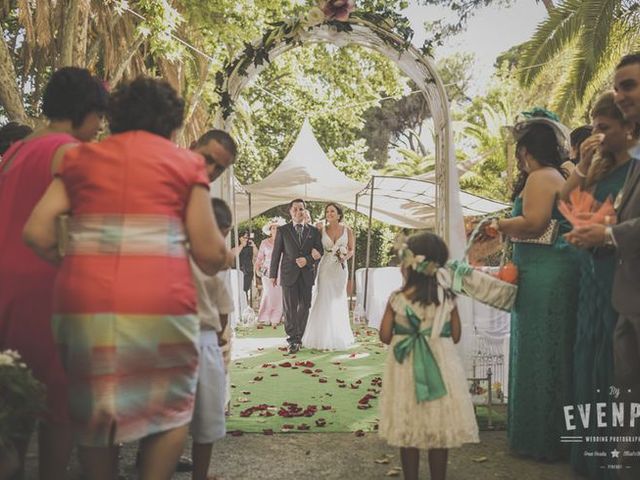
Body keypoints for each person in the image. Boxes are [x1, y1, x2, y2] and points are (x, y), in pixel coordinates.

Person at [23, 76, 230, 480]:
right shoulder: (185, 164)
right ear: (171, 124)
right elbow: (207, 252)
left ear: (114, 117)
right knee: (171, 412)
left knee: (95, 411)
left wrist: (73, 265)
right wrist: (222, 256)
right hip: (160, 302)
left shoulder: (79, 159)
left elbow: (36, 231)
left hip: (82, 304)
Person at [0, 67, 107, 480]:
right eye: (98, 116)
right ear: (84, 111)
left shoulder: (16, 150)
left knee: (17, 402)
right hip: (44, 288)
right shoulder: (70, 152)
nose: (99, 128)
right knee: (59, 406)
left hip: (7, 289)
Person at [488, 111, 580, 460]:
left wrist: (497, 224)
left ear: (528, 150)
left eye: (519, 151)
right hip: (546, 269)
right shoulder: (553, 174)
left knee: (541, 352)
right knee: (547, 349)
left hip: (545, 274)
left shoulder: (542, 176)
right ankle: (550, 434)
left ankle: (543, 438)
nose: (519, 158)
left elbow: (534, 223)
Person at [566, 52, 640, 479]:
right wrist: (585, 170)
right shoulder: (601, 168)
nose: (596, 135)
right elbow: (569, 207)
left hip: (622, 271)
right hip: (602, 277)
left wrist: (608, 234)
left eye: (602, 128)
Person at [378, 232, 479, 480]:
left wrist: (408, 333)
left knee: (408, 427)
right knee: (438, 428)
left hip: (405, 371)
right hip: (440, 367)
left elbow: (384, 335)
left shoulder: (396, 299)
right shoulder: (446, 298)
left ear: (409, 264)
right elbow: (455, 335)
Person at [189, 198, 235, 480]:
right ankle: (200, 474)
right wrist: (220, 338)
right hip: (205, 338)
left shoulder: (176, 252)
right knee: (205, 421)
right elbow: (223, 313)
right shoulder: (217, 262)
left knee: (170, 417)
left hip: (170, 336)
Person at [269, 199, 323, 354]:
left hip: (306, 274)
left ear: (305, 211)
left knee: (305, 306)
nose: (299, 212)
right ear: (290, 212)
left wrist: (307, 259)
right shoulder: (283, 230)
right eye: (296, 209)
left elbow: (320, 251)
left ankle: (299, 335)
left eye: (301, 209)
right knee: (290, 308)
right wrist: (273, 274)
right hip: (288, 274)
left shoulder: (313, 231)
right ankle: (293, 340)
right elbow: (276, 254)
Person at [301, 203, 355, 350]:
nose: (329, 213)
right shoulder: (321, 229)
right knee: (323, 298)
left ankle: (337, 335)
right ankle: (320, 336)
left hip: (340, 269)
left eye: (332, 211)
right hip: (325, 267)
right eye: (327, 211)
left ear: (339, 214)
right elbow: (314, 245)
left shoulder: (348, 230)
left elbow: (351, 250)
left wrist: (345, 257)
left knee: (338, 299)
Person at [255, 216, 286, 326]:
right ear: (270, 230)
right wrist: (257, 269)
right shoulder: (264, 242)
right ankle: (265, 316)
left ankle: (276, 318)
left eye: (277, 228)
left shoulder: (284, 242)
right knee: (268, 293)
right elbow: (259, 258)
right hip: (267, 272)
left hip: (281, 271)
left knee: (279, 294)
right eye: (273, 228)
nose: (275, 230)